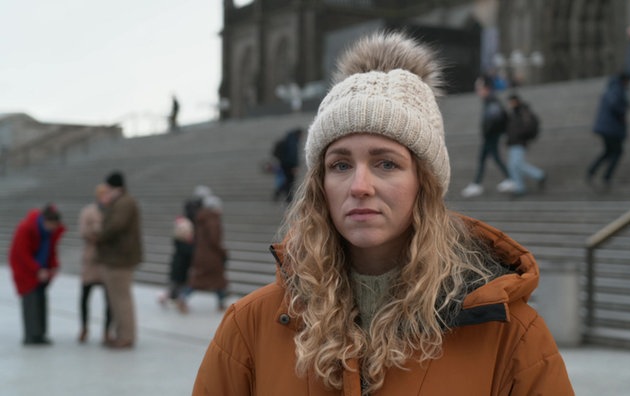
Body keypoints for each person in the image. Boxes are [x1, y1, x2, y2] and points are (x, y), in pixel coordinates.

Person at [193, 31, 573, 395]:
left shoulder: (510, 334)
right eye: (340, 165)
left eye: (386, 164)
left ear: (423, 182)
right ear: (319, 185)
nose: (360, 185)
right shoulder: (249, 326)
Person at [95, 171, 143, 349]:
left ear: (116, 187)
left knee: (121, 299)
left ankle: (126, 336)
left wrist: (98, 235)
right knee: (117, 299)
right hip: (116, 257)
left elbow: (115, 226)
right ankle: (122, 334)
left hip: (120, 258)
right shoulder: (122, 202)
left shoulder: (124, 203)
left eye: (108, 187)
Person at [9, 203, 65, 346]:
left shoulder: (49, 233)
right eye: (52, 224)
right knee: (30, 301)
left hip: (42, 272)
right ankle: (31, 335)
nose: (53, 228)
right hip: (26, 271)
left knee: (40, 300)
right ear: (45, 221)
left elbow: (51, 252)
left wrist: (53, 266)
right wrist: (37, 269)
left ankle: (40, 334)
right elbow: (22, 254)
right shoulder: (26, 228)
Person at [461, 74, 514, 198]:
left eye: (479, 88)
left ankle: (479, 184)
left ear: (486, 88)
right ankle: (478, 183)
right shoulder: (489, 100)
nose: (477, 91)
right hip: (490, 135)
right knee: (487, 158)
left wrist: (488, 131)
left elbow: (495, 118)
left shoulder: (491, 100)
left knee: (489, 158)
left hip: (491, 136)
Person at [178, 195, 228, 313]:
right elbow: (214, 240)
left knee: (205, 279)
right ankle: (220, 303)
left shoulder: (201, 218)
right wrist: (223, 251)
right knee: (216, 280)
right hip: (212, 257)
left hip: (201, 255)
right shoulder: (213, 220)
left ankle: (220, 302)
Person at [77, 183, 112, 344]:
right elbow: (83, 230)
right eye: (103, 194)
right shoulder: (88, 211)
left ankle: (107, 331)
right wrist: (98, 232)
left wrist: (99, 232)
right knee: (85, 295)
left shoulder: (113, 211)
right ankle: (84, 328)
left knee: (109, 299)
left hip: (106, 259)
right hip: (91, 259)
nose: (106, 197)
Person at [586, 72, 630, 190]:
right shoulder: (617, 89)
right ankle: (606, 176)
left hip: (606, 127)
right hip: (611, 128)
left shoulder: (612, 88)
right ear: (624, 80)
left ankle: (592, 171)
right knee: (617, 152)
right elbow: (614, 104)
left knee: (608, 152)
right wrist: (622, 112)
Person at [504, 94, 546, 196]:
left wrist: (519, 135)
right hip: (513, 142)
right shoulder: (514, 113)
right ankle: (523, 186)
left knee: (516, 165)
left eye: (511, 102)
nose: (509, 104)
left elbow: (526, 127)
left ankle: (538, 176)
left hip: (519, 142)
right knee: (513, 166)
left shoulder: (523, 112)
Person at [272, 127, 303, 203]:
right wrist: (294, 165)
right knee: (289, 181)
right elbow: (292, 155)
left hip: (284, 164)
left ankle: (284, 196)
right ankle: (286, 196)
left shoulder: (288, 139)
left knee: (287, 180)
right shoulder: (293, 141)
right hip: (289, 165)